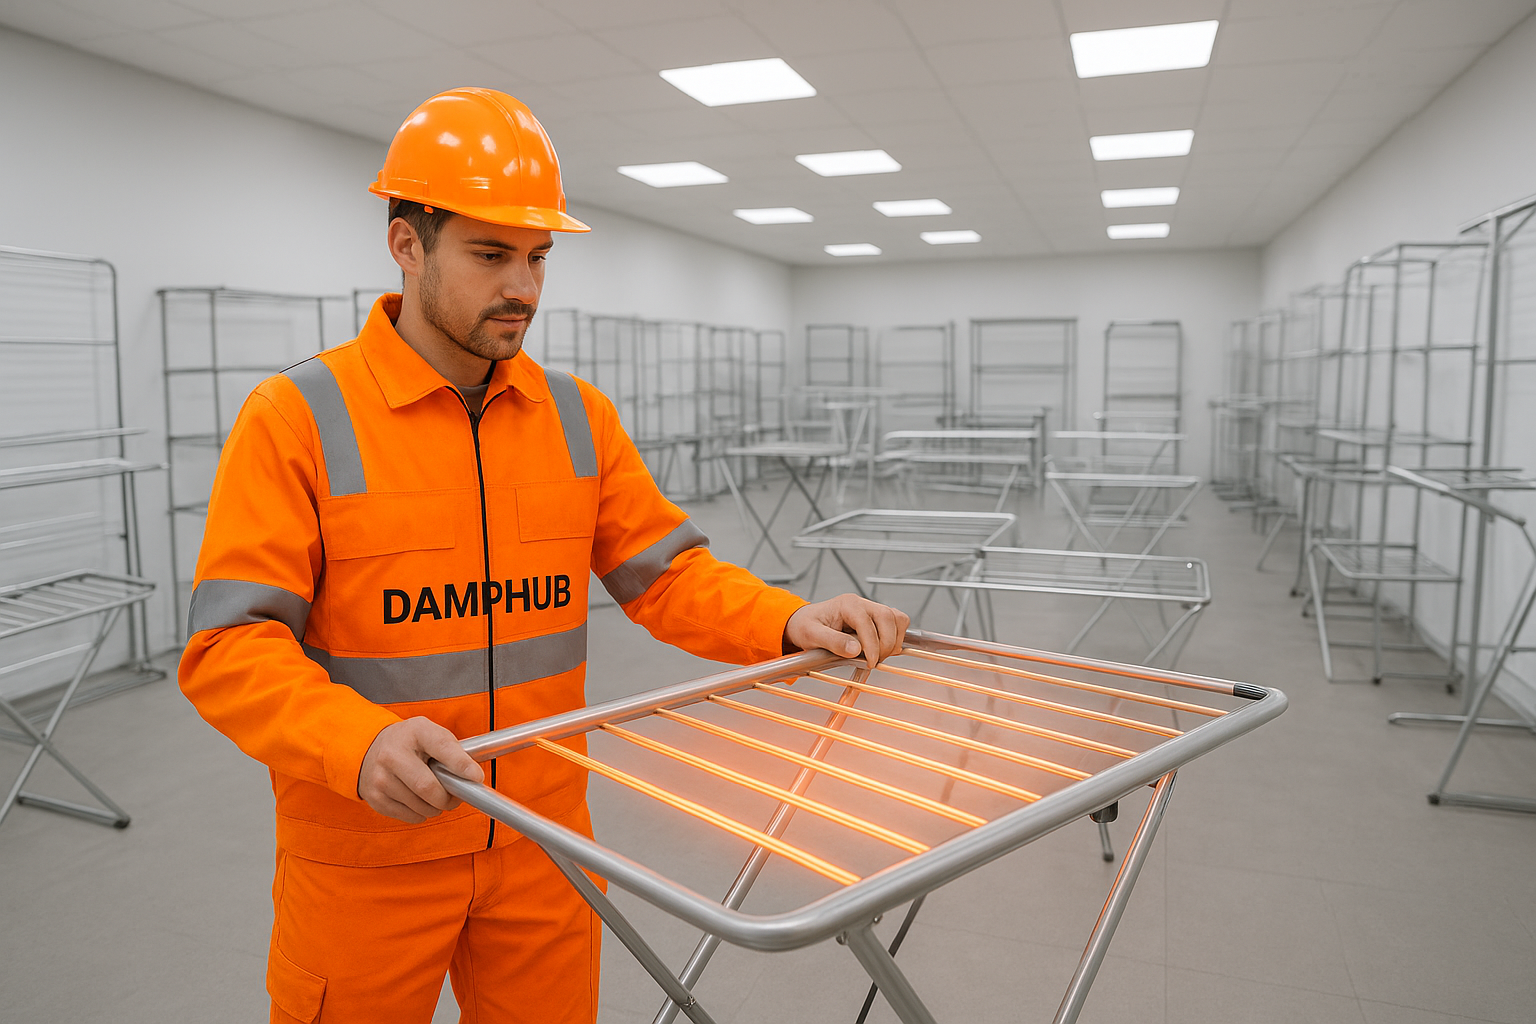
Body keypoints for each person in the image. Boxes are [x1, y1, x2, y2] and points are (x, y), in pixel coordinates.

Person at [179, 87, 910, 1024]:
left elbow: (668, 575)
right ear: (407, 244)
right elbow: (230, 648)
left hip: (543, 842)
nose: (522, 286)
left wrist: (785, 617)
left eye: (536, 257)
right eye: (490, 255)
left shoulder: (576, 418)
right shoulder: (298, 419)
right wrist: (352, 742)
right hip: (371, 850)